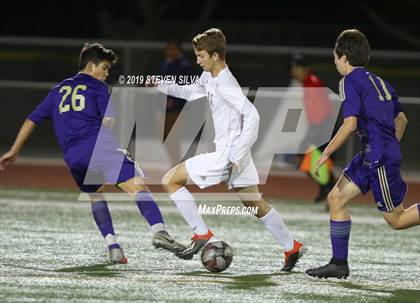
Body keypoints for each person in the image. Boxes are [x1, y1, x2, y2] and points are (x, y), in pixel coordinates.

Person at [0, 43, 185, 264]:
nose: (106, 74)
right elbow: (108, 120)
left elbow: (32, 120)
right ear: (91, 66)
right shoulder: (97, 88)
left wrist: (14, 150)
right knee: (137, 187)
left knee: (96, 195)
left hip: (74, 157)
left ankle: (113, 247)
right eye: (105, 68)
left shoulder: (57, 90)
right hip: (99, 146)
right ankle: (160, 231)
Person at [155, 28, 305, 271]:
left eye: (201, 55)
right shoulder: (209, 76)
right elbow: (191, 93)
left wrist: (234, 155)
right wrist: (161, 84)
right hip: (238, 155)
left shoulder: (225, 82)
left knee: (169, 180)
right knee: (255, 204)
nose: (198, 60)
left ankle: (201, 233)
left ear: (215, 55)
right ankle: (292, 246)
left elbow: (253, 116)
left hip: (228, 155)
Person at [306, 29, 420, 279]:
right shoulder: (380, 81)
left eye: (335, 57)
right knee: (335, 199)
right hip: (372, 155)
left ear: (344, 58)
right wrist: (390, 145)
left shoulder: (349, 80)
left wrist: (326, 153)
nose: (334, 62)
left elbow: (350, 124)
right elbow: (401, 119)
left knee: (397, 220)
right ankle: (338, 264)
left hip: (377, 157)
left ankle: (338, 263)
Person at [289, 54, 336, 202]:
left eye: (297, 68)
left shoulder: (312, 84)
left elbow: (321, 112)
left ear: (306, 69)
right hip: (320, 127)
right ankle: (328, 189)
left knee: (309, 163)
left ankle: (331, 188)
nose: (294, 72)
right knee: (314, 164)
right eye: (293, 68)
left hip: (323, 128)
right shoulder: (309, 83)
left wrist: (311, 134)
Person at [157, 40, 197, 165]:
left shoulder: (183, 65)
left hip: (177, 107)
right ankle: (175, 161)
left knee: (174, 136)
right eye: (168, 49)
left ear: (178, 50)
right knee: (162, 135)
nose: (169, 52)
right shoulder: (167, 63)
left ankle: (176, 163)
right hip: (165, 106)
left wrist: (173, 99)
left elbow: (185, 85)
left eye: (172, 49)